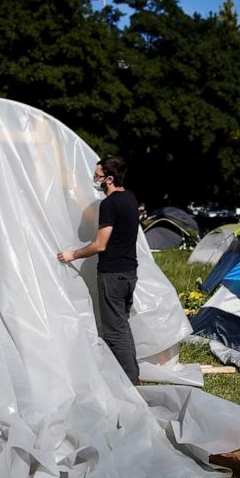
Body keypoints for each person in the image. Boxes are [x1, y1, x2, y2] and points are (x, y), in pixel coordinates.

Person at [57, 156, 141, 385]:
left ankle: (129, 382)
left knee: (114, 332)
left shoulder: (110, 204)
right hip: (129, 273)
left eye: (98, 176)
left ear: (110, 179)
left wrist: (71, 255)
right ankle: (133, 376)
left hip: (112, 274)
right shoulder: (130, 198)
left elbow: (100, 244)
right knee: (122, 325)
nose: (94, 180)